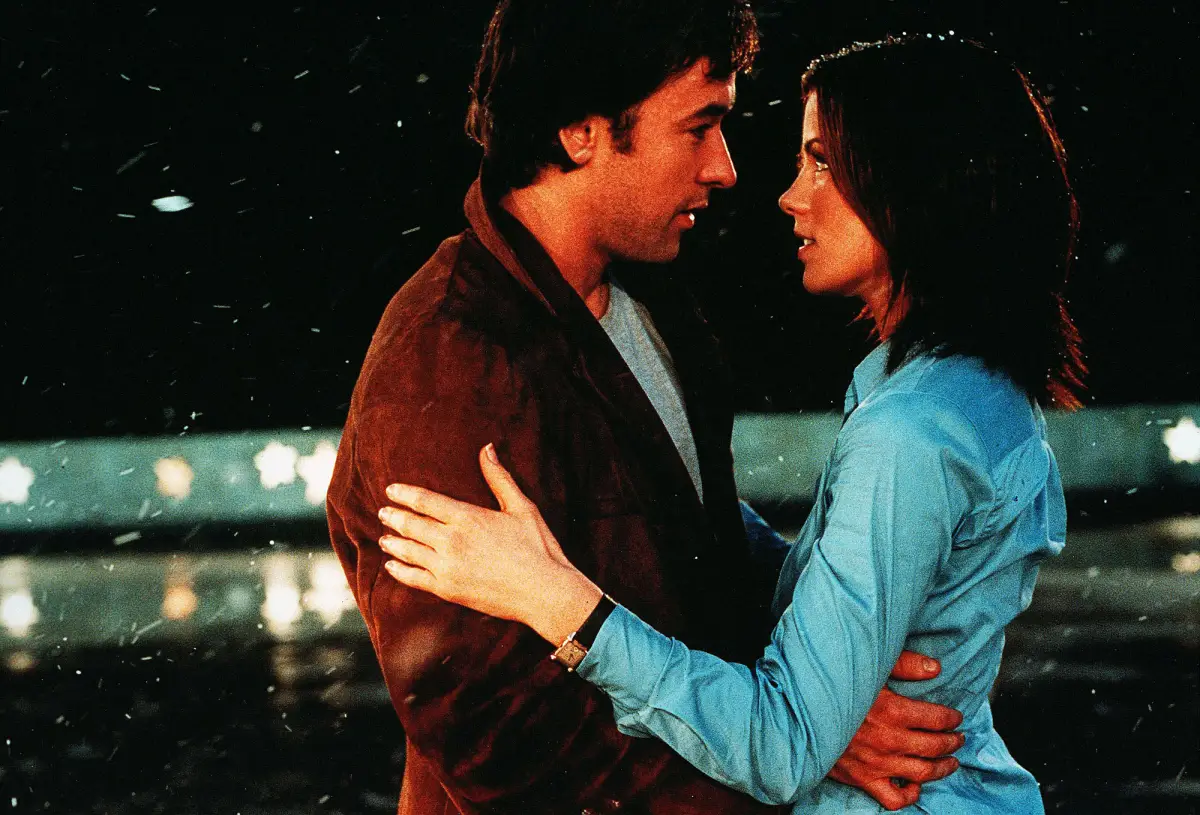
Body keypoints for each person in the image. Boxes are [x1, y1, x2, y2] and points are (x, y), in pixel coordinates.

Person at [373, 34, 1086, 813]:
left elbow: (782, 745)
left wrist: (559, 600)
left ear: (918, 181)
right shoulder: (965, 391)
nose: (782, 193)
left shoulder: (912, 430)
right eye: (699, 126)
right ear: (579, 132)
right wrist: (831, 698)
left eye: (823, 162)